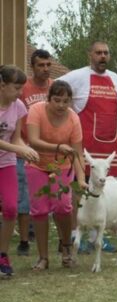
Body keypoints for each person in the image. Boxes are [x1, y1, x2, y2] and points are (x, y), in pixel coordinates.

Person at [58, 41, 117, 253]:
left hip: (110, 145)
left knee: (105, 189)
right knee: (80, 190)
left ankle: (97, 237)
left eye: (106, 53)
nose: (102, 56)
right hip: (86, 144)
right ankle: (74, 235)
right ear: (90, 55)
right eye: (98, 53)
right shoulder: (76, 76)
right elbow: (55, 91)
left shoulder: (115, 78)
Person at [26, 80, 87, 271]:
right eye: (57, 100)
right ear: (49, 99)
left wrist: (82, 179)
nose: (61, 105)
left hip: (62, 166)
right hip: (36, 164)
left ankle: (66, 247)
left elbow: (77, 153)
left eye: (66, 101)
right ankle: (43, 257)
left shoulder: (73, 119)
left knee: (63, 206)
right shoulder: (36, 111)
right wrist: (59, 147)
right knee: (40, 210)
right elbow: (33, 142)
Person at [0, 65, 39, 276]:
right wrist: (18, 149)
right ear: (2, 85)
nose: (19, 93)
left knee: (10, 209)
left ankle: (2, 255)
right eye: (16, 88)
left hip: (6, 163)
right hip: (8, 154)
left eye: (21, 88)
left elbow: (15, 139)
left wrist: (29, 151)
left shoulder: (19, 107)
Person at [15, 49, 54, 256]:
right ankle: (23, 240)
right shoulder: (24, 89)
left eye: (48, 65)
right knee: (24, 197)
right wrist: (22, 147)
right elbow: (16, 121)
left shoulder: (55, 87)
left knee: (54, 196)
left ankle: (57, 241)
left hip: (50, 151)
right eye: (41, 65)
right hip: (26, 149)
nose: (45, 69)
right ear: (33, 67)